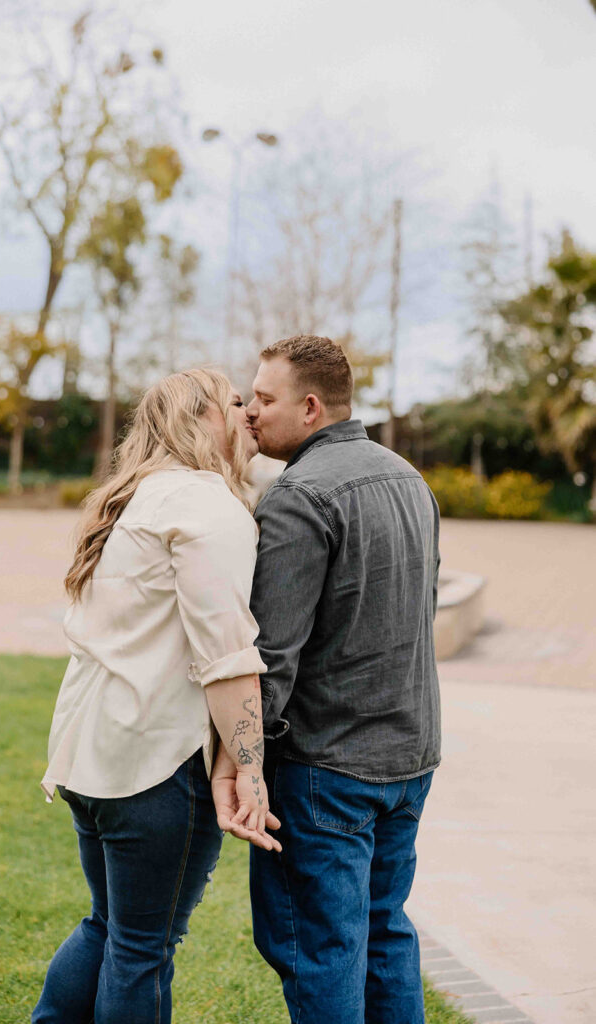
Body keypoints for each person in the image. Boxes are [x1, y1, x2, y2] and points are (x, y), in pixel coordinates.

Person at [32, 368, 281, 1024]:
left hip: (94, 757)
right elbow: (226, 658)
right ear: (201, 417)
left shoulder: (137, 497)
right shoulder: (205, 506)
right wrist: (250, 769)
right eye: (237, 404)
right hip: (152, 764)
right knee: (142, 946)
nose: (250, 416)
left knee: (109, 928)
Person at [245, 335, 441, 1024]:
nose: (249, 413)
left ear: (308, 407)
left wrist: (245, 765)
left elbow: (269, 655)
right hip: (408, 761)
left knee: (319, 949)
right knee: (383, 933)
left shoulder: (297, 496)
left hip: (326, 769)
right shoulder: (407, 478)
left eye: (264, 400)